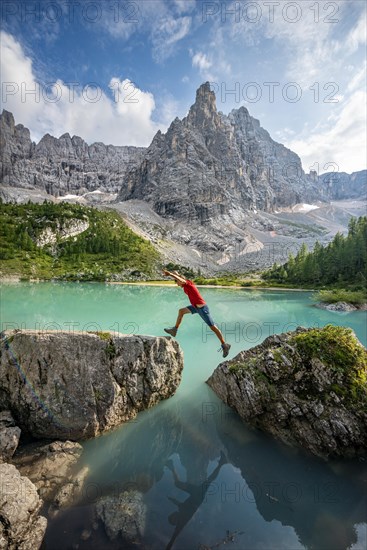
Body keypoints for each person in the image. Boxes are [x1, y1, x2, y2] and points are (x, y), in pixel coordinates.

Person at [162, 269, 231, 358]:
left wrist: (171, 274)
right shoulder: (185, 286)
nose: (177, 284)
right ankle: (174, 330)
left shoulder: (188, 283)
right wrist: (175, 274)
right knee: (181, 311)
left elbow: (182, 280)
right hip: (195, 307)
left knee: (213, 327)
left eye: (177, 282)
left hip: (202, 308)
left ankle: (225, 345)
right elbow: (180, 277)